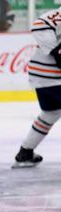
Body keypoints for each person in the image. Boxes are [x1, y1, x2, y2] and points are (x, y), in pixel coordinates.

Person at [12, 8, 61, 168]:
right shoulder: (56, 17)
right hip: (51, 76)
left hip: (44, 76)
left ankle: (25, 152)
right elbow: (40, 25)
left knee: (51, 113)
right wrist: (55, 50)